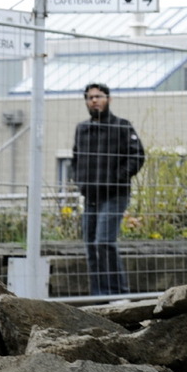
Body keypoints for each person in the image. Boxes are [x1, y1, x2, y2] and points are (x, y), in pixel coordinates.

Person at [72, 82, 145, 297]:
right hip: (91, 197)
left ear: (108, 99)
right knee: (91, 247)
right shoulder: (82, 129)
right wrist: (80, 181)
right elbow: (76, 158)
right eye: (90, 97)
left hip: (115, 195)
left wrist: (118, 177)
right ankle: (100, 295)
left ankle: (119, 294)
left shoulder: (122, 126)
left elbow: (138, 155)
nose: (94, 100)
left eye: (99, 96)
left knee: (104, 242)